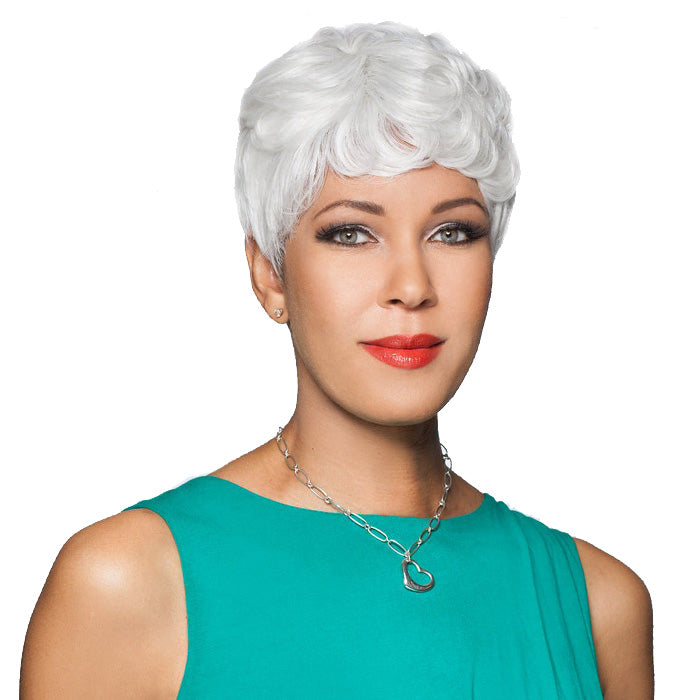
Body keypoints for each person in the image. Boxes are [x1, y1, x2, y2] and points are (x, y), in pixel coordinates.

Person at [20, 21, 653, 699]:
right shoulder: (127, 583)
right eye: (352, 234)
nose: (411, 286)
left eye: (452, 232)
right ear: (270, 275)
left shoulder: (600, 604)